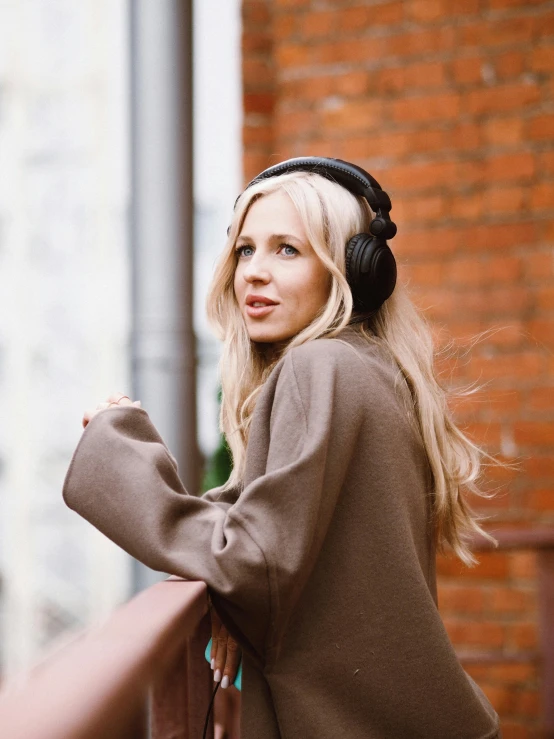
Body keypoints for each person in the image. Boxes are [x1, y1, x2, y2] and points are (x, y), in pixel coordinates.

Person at [64, 157, 502, 738]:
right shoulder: (376, 370)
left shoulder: (316, 367)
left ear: (352, 269)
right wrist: (232, 601)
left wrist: (118, 450)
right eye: (245, 250)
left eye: (287, 250)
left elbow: (253, 563)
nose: (254, 273)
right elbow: (280, 530)